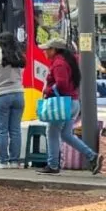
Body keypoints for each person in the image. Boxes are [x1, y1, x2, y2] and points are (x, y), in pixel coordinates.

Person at [37, 39, 103, 175]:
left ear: (54, 50)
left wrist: (48, 90)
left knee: (52, 133)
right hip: (72, 102)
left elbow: (61, 84)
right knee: (66, 135)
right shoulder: (69, 61)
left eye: (47, 49)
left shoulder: (59, 63)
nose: (44, 52)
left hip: (61, 103)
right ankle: (92, 156)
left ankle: (53, 165)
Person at [0, 32, 26, 169]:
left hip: (0, 96)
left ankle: (2, 161)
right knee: (15, 130)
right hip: (18, 94)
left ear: (0, 43)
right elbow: (22, 75)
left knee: (2, 130)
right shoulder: (19, 56)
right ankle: (14, 161)